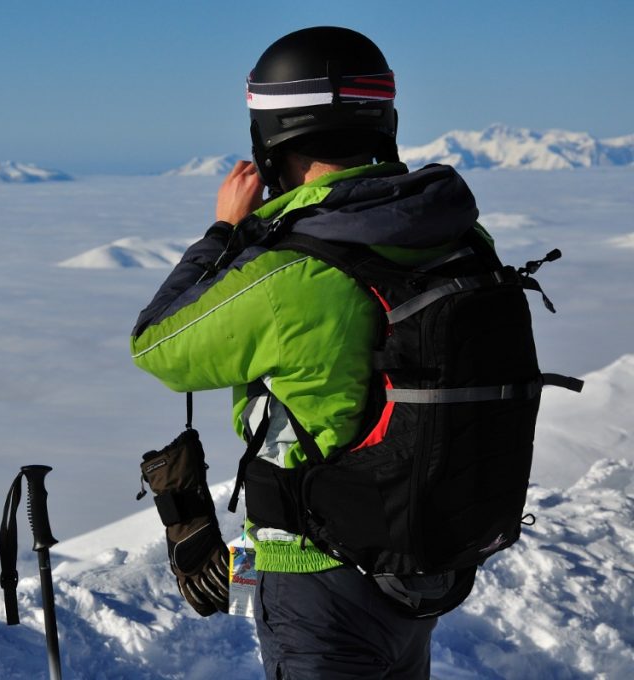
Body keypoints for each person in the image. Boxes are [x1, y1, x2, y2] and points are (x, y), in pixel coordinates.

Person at [130, 26, 488, 678]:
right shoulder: (456, 235)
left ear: (270, 141)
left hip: (318, 582)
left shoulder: (296, 269)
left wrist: (224, 232)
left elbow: (158, 344)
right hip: (418, 561)